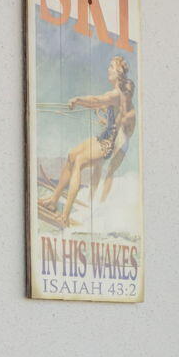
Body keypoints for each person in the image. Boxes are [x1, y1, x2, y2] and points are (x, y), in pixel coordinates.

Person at [44, 54, 135, 228]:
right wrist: (103, 116)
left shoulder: (116, 93)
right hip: (103, 137)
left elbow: (96, 100)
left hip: (108, 144)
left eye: (111, 67)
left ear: (119, 73)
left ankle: (64, 216)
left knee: (78, 162)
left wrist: (78, 100)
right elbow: (107, 110)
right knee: (71, 155)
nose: (108, 69)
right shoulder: (116, 94)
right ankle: (53, 201)